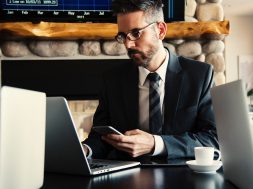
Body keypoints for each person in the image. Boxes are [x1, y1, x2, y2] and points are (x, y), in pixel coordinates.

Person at [82, 0, 219, 160]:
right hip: (128, 177)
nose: (128, 44)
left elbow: (213, 139)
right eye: (122, 36)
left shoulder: (200, 75)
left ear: (160, 30)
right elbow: (101, 137)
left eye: (136, 33)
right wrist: (84, 149)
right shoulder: (112, 80)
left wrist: (156, 144)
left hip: (181, 175)